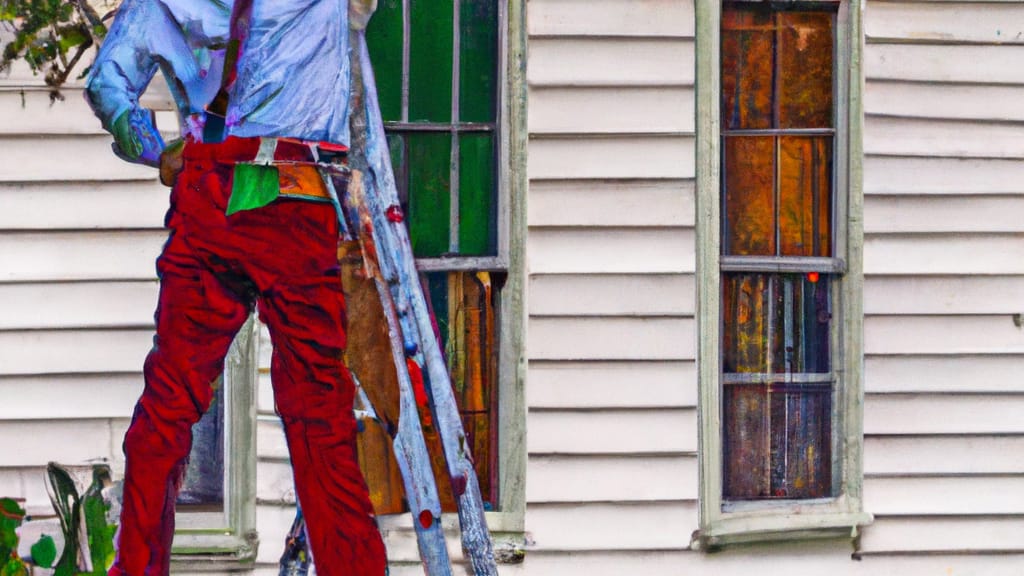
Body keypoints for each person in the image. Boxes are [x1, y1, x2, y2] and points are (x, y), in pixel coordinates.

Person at [85, 0, 387, 574]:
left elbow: (107, 86)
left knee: (170, 404)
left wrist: (155, 147)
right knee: (318, 414)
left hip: (222, 190)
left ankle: (137, 566)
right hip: (294, 193)